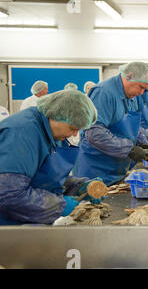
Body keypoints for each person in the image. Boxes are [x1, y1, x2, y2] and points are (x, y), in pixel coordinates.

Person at [0, 90, 99, 225]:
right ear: (58, 116)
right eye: (73, 128)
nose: (75, 134)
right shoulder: (21, 134)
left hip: (29, 220)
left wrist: (77, 186)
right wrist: (59, 206)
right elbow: (9, 195)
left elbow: (41, 176)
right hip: (8, 226)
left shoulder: (52, 132)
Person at [73, 62, 148, 186]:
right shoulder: (104, 93)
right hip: (95, 170)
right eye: (141, 87)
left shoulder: (134, 96)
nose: (141, 93)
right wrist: (130, 149)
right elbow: (94, 132)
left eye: (145, 89)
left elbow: (131, 125)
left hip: (117, 169)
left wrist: (142, 141)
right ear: (129, 76)